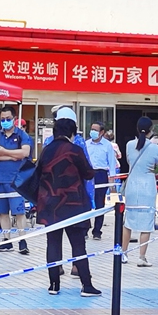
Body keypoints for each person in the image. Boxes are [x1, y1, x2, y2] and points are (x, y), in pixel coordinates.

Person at [34, 115, 101, 298]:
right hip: (73, 204)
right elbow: (88, 173)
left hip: (49, 205)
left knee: (53, 244)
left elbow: (37, 174)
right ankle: (86, 285)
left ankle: (53, 285)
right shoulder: (75, 150)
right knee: (78, 245)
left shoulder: (46, 150)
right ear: (72, 133)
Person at [0, 106, 32, 254]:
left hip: (16, 180)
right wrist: (14, 155)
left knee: (19, 212)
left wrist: (5, 152)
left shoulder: (22, 135)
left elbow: (25, 152)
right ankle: (6, 240)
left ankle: (22, 240)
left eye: (8, 119)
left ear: (14, 118)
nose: (5, 121)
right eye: (2, 119)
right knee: (2, 211)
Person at [123, 117, 158, 267]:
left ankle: (123, 253)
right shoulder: (155, 148)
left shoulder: (129, 145)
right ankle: (141, 257)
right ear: (151, 130)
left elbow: (129, 162)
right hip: (148, 187)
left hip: (132, 186)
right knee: (146, 222)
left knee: (128, 221)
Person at [86, 122, 119, 241]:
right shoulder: (86, 144)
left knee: (100, 203)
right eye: (91, 129)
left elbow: (111, 162)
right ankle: (85, 228)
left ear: (102, 132)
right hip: (88, 174)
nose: (93, 132)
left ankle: (97, 231)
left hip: (101, 174)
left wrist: (112, 179)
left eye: (95, 130)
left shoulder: (107, 145)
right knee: (86, 202)